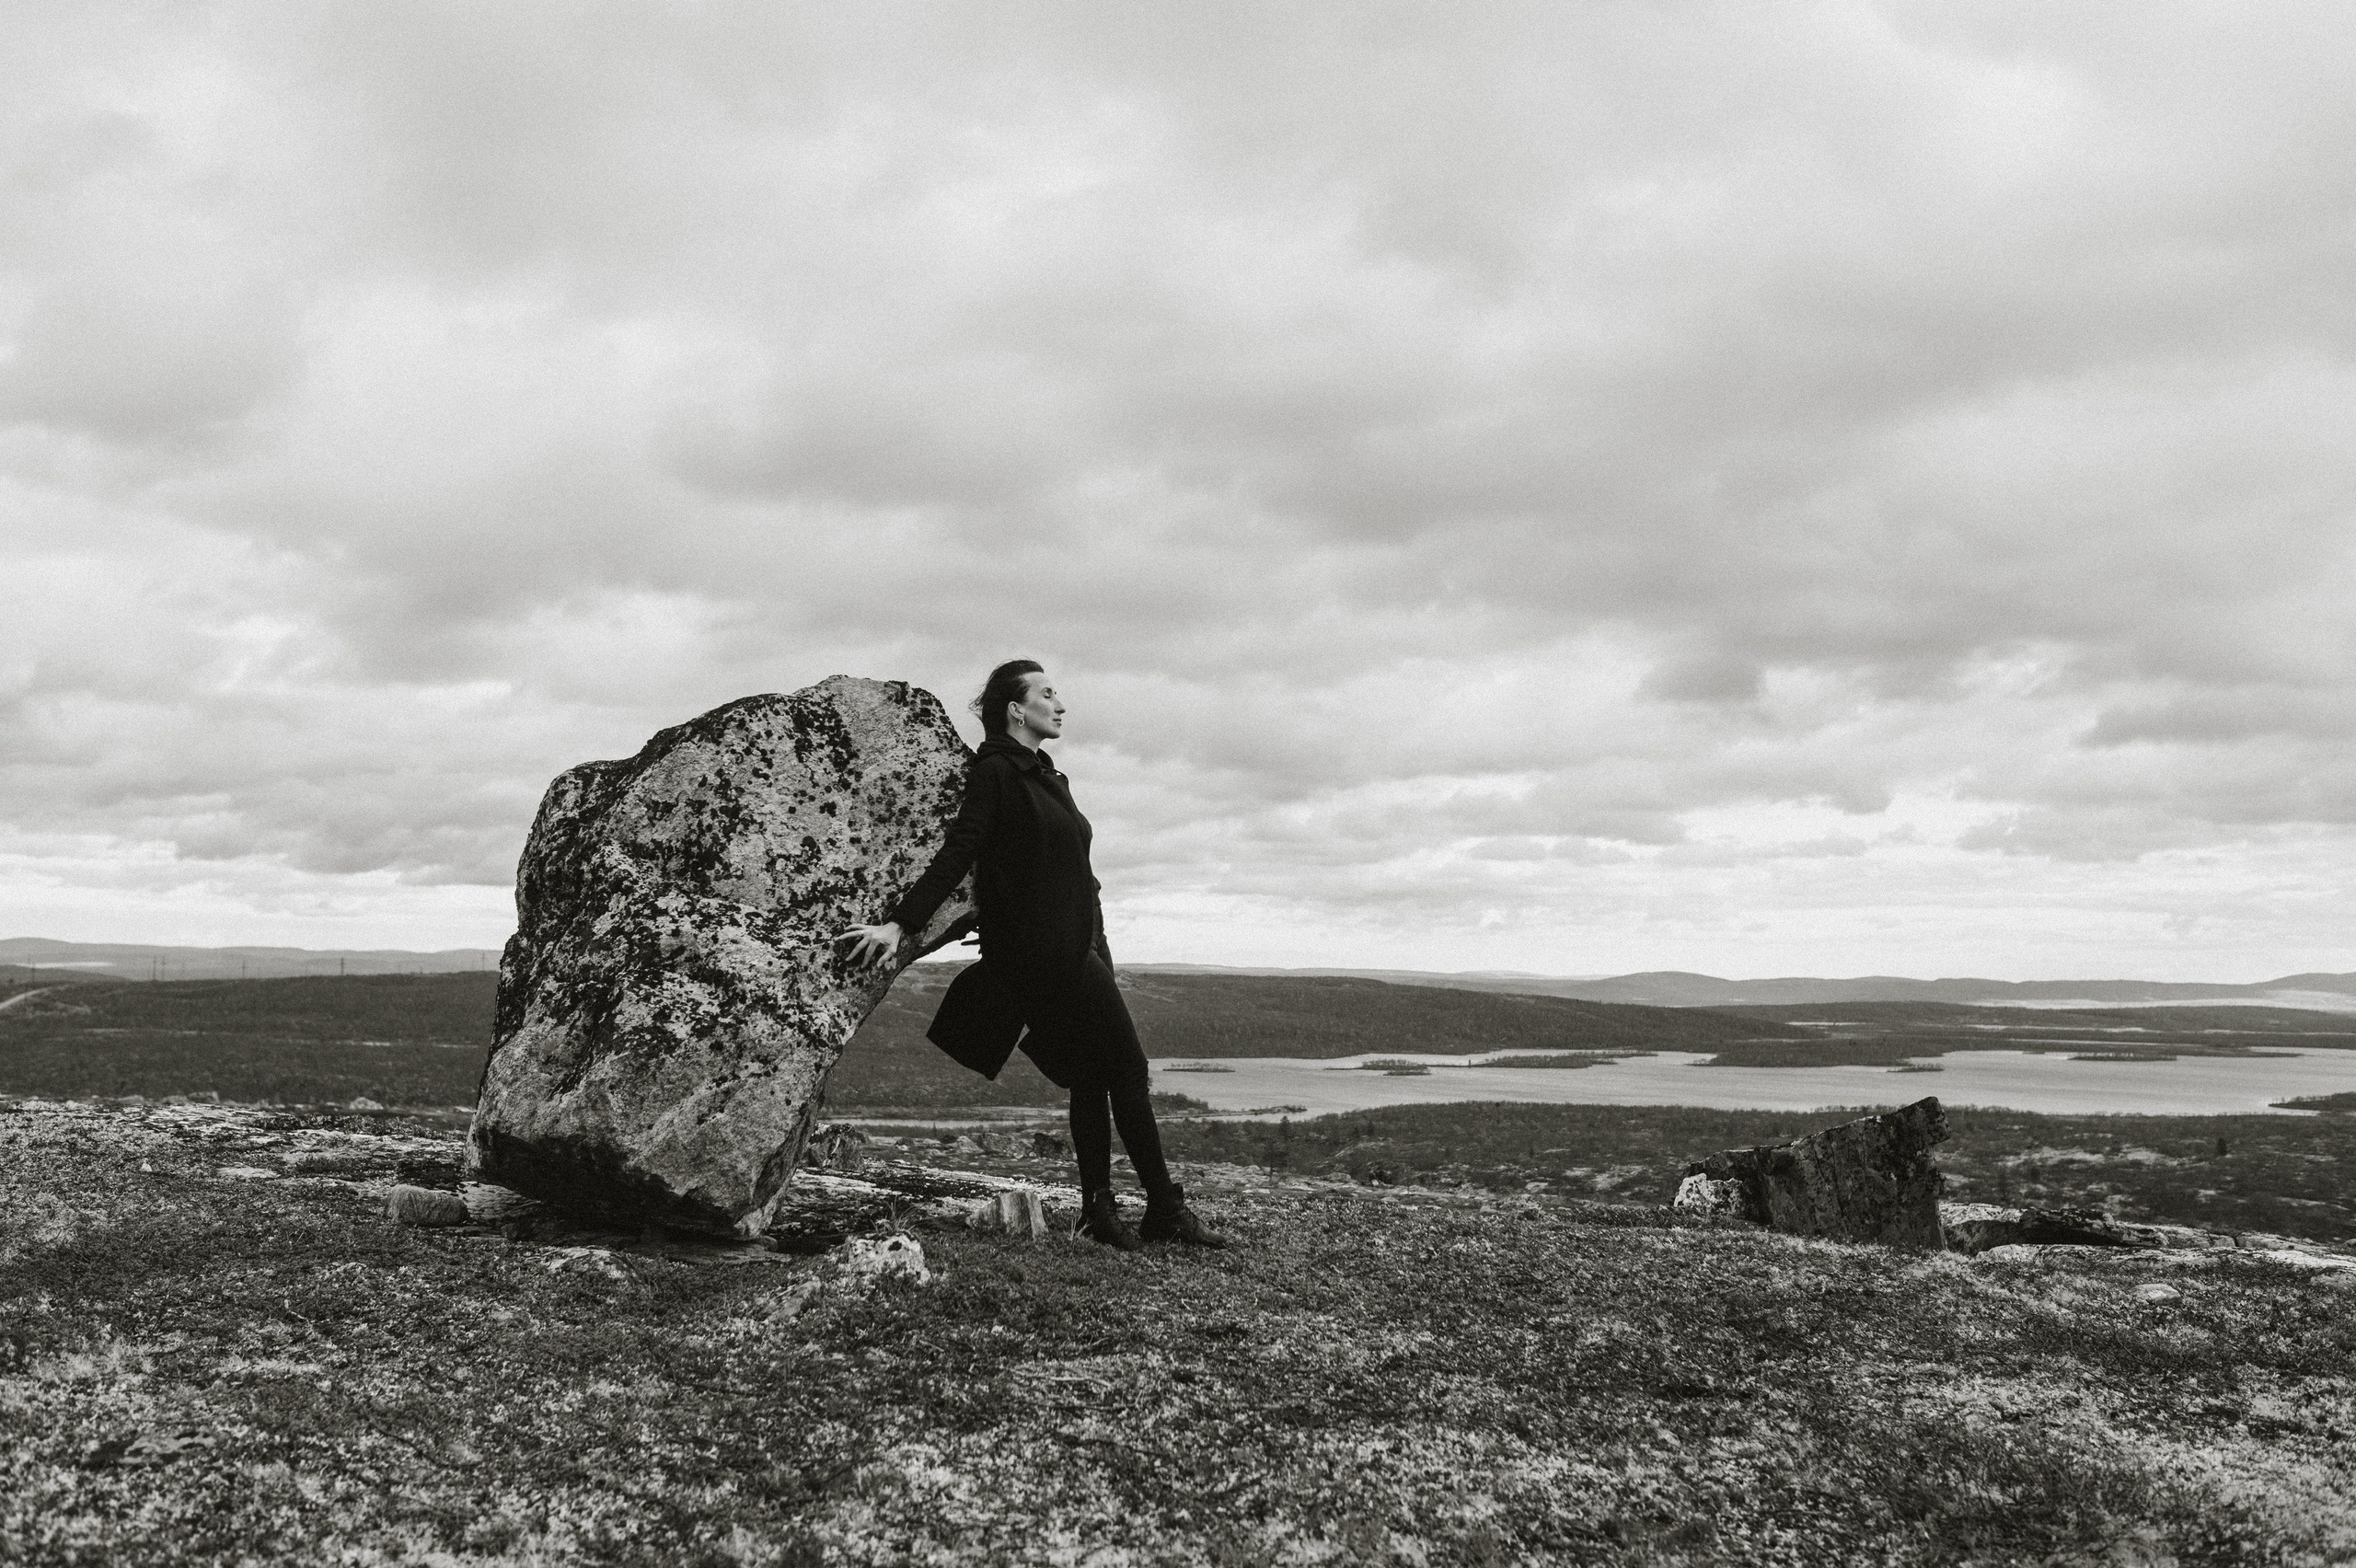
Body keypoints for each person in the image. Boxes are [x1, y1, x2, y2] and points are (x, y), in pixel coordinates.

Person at [835, 660, 1227, 1251]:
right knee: (1131, 1069)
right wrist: (900, 925)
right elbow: (960, 851)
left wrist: (1101, 948)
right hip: (1042, 953)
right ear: (1016, 710)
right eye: (1047, 694)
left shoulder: (1050, 779)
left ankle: (1100, 1210)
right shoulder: (995, 772)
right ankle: (1164, 1210)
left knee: (1094, 1075)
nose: (1060, 704)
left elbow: (1082, 879)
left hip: (1078, 947)